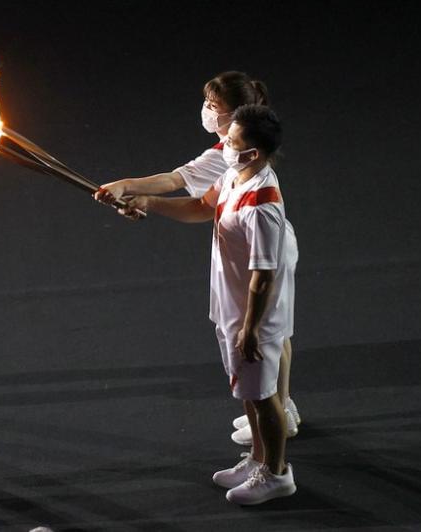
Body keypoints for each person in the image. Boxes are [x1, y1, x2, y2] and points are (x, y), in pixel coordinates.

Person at [96, 71, 300, 446]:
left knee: (270, 333)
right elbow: (198, 200)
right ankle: (273, 409)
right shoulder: (233, 153)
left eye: (214, 107)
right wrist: (137, 194)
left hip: (262, 249)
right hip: (245, 241)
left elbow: (176, 181)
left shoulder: (241, 159)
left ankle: (278, 414)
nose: (206, 111)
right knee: (268, 338)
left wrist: (130, 186)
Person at [121, 105, 298, 504]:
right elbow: (201, 208)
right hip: (230, 305)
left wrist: (251, 328)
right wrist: (146, 200)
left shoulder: (262, 204)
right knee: (248, 392)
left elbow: (264, 275)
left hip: (253, 317)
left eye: (232, 142)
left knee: (265, 395)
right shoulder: (234, 176)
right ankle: (257, 458)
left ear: (253, 152)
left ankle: (277, 472)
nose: (225, 147)